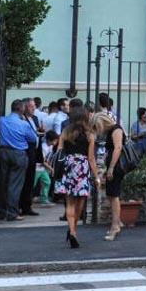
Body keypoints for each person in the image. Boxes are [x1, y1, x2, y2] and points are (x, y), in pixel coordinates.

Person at [55, 106, 97, 248]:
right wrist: (96, 176)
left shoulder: (65, 132)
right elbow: (91, 158)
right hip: (83, 166)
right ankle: (73, 230)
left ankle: (72, 230)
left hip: (69, 165)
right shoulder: (90, 135)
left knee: (70, 201)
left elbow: (59, 151)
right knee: (81, 201)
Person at [0, 99, 39, 221]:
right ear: (21, 109)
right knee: (14, 184)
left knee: (3, 182)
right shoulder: (24, 124)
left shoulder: (1, 120)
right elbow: (33, 139)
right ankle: (12, 212)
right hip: (19, 154)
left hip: (3, 152)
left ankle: (1, 211)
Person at [94, 112, 125, 241]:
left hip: (116, 167)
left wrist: (111, 168)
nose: (98, 130)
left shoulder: (116, 129)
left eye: (97, 126)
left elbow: (118, 148)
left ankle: (115, 226)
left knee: (114, 195)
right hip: (113, 166)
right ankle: (117, 223)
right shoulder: (112, 130)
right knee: (111, 195)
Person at [18, 98, 42, 217]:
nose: (34, 108)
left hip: (34, 152)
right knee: (24, 180)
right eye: (31, 106)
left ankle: (27, 206)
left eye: (34, 106)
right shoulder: (22, 119)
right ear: (25, 107)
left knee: (30, 180)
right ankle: (21, 205)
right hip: (26, 151)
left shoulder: (35, 118)